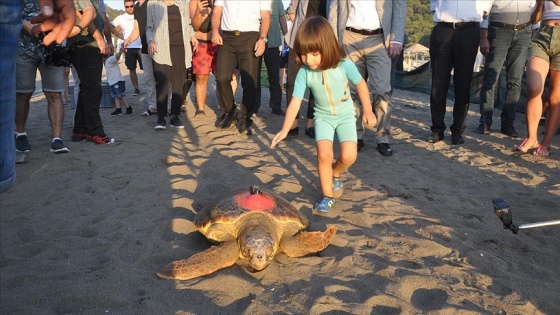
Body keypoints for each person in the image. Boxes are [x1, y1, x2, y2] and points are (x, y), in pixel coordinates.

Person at [271, 16, 376, 213]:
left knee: (349, 156)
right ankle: (327, 196)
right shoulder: (304, 73)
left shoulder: (344, 65)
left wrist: (368, 110)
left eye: (314, 54)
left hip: (345, 116)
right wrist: (286, 129)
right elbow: (295, 102)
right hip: (322, 117)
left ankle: (335, 173)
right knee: (324, 155)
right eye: (303, 54)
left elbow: (361, 84)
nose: (308, 60)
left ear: (327, 47)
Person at [328, 0, 406, 156]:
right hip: (349, 36)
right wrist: (334, 39)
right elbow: (334, 6)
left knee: (382, 90)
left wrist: (397, 38)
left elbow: (399, 4)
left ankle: (383, 137)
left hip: (379, 38)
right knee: (350, 90)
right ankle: (355, 136)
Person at [426, 0, 491, 145]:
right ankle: (437, 129)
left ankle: (457, 130)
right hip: (443, 29)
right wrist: (436, 11)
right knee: (438, 83)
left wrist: (483, 36)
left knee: (463, 83)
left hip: (469, 31)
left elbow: (486, 10)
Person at [474, 1, 537, 138]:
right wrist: (483, 38)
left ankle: (508, 124)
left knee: (515, 81)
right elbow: (484, 12)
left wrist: (534, 32)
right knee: (491, 78)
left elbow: (535, 9)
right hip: (498, 31)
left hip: (524, 32)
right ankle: (485, 121)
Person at [15, 0, 70, 154]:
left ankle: (57, 139)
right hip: (23, 49)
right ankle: (20, 134)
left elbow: (66, 12)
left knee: (54, 93)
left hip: (52, 48)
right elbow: (7, 12)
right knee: (23, 94)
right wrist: (23, 22)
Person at [211, 0, 271, 136]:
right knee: (221, 77)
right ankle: (230, 111)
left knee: (249, 82)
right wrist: (215, 31)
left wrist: (262, 38)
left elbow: (266, 16)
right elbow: (217, 11)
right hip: (227, 37)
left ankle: (245, 118)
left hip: (250, 37)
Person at [514, 0, 560, 156]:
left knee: (555, 98)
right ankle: (532, 137)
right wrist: (540, 3)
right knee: (534, 88)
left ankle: (546, 143)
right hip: (543, 35)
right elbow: (534, 19)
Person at [67, 0, 114, 145]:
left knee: (86, 88)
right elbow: (83, 15)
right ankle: (95, 131)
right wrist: (100, 40)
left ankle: (80, 129)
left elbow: (104, 19)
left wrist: (108, 40)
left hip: (85, 42)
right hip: (85, 42)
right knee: (93, 89)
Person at [146, 0, 195, 130]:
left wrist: (193, 36)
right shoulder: (153, 3)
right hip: (161, 49)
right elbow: (149, 27)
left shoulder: (183, 3)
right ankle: (161, 118)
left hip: (181, 48)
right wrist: (150, 40)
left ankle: (175, 116)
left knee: (179, 83)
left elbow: (188, 24)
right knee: (162, 84)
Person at [284, 0, 327, 137]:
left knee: (316, 85)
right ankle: (293, 123)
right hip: (299, 38)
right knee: (291, 81)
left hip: (321, 41)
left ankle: (310, 124)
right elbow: (291, 11)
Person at [256, 0, 288, 116]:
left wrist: (287, 36)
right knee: (255, 76)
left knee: (274, 76)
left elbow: (282, 19)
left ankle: (276, 105)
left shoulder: (277, 1)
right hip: (256, 42)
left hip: (273, 43)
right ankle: (254, 105)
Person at [112, 0, 143, 96]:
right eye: (127, 7)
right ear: (124, 7)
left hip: (142, 46)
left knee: (147, 69)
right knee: (132, 69)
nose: (129, 8)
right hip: (129, 47)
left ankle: (152, 88)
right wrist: (119, 35)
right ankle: (136, 89)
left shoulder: (140, 14)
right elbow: (109, 25)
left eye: (131, 6)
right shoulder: (121, 18)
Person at [106, 45, 133, 115]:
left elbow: (116, 57)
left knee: (121, 95)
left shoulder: (110, 59)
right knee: (115, 95)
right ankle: (118, 109)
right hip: (113, 82)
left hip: (116, 81)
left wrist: (120, 52)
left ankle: (128, 108)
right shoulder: (107, 60)